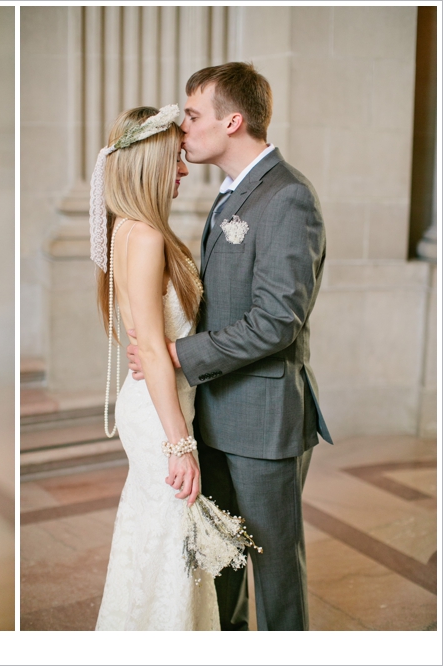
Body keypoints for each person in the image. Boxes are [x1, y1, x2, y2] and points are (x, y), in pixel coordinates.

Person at [127, 62, 332, 631]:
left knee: (275, 573)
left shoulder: (288, 198)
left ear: (232, 121)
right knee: (222, 565)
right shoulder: (228, 196)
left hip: (264, 421)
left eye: (193, 116)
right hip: (213, 413)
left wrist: (177, 355)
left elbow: (277, 322)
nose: (183, 129)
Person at [90, 105, 221, 631]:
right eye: (175, 160)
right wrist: (179, 444)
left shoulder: (128, 228)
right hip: (159, 411)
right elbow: (148, 342)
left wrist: (150, 347)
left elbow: (144, 335)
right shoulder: (144, 237)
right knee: (171, 540)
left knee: (153, 535)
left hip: (155, 398)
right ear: (147, 163)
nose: (184, 170)